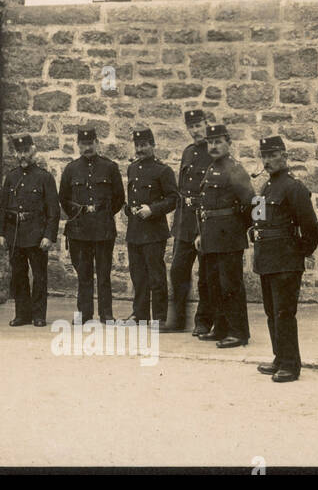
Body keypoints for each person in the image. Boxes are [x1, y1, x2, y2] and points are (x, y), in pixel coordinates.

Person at [251, 136, 318, 383]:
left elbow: (310, 228)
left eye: (272, 155)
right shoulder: (265, 187)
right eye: (264, 156)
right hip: (267, 259)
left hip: (286, 261)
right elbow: (256, 219)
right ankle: (279, 357)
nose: (267, 161)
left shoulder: (294, 188)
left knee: (284, 313)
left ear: (284, 156)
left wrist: (299, 253)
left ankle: (291, 365)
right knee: (271, 312)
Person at [194, 123, 253, 348]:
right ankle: (220, 328)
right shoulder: (212, 168)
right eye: (210, 142)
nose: (214, 146)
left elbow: (253, 202)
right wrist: (200, 234)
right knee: (213, 285)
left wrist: (247, 229)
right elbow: (205, 206)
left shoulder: (235, 168)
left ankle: (238, 332)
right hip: (210, 237)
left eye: (218, 141)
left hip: (228, 237)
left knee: (231, 286)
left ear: (229, 143)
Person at [59, 127, 125, 323]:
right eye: (83, 144)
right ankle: (84, 314)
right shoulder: (71, 169)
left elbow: (119, 198)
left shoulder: (110, 167)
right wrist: (81, 212)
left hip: (103, 229)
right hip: (79, 230)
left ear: (97, 143)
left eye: (90, 143)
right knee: (84, 274)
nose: (87, 147)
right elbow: (63, 198)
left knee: (104, 274)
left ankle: (106, 313)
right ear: (78, 145)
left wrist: (101, 213)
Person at [0, 134, 58, 327]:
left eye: (25, 151)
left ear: (33, 151)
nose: (22, 156)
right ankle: (22, 314)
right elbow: (4, 208)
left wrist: (49, 235)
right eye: (19, 152)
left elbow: (53, 211)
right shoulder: (11, 177)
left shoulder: (44, 177)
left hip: (37, 235)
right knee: (19, 274)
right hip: (15, 234)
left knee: (39, 276)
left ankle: (39, 315)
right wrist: (1, 233)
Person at [122, 128, 179, 324]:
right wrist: (129, 209)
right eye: (137, 145)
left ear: (153, 145)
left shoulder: (163, 170)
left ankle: (160, 317)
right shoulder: (132, 168)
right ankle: (140, 314)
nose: (140, 149)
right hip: (135, 230)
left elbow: (173, 199)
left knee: (156, 276)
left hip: (154, 232)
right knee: (138, 275)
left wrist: (152, 210)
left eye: (144, 145)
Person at [169, 110, 211, 333]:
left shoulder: (214, 153)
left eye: (198, 125)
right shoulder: (188, 152)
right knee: (178, 270)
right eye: (191, 126)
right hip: (185, 222)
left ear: (207, 123)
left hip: (204, 221)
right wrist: (177, 224)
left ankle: (203, 321)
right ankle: (177, 319)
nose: (195, 130)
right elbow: (181, 190)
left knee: (205, 274)